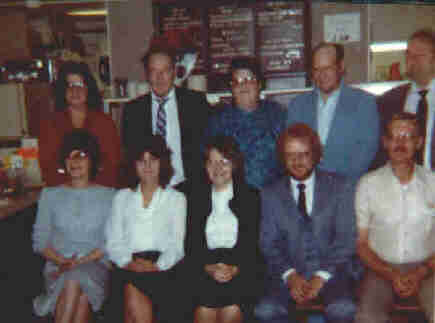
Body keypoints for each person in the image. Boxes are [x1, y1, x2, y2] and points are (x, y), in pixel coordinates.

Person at [255, 123, 357, 323]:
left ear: (317, 155)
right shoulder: (270, 193)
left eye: (304, 153)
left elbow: (346, 240)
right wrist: (290, 276)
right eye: (290, 154)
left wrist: (321, 275)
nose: (297, 161)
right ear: (282, 159)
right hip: (287, 274)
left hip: (331, 273)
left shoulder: (340, 187)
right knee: (266, 310)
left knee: (343, 309)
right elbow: (268, 243)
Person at [355, 112, 435, 323]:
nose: (400, 143)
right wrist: (390, 273)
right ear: (385, 142)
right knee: (367, 317)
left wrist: (421, 272)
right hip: (380, 268)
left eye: (407, 136)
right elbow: (361, 245)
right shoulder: (367, 184)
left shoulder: (433, 183)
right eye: (394, 137)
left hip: (429, 268)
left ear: (419, 143)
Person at [32, 130, 115, 323]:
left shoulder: (109, 196)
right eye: (69, 156)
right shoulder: (49, 195)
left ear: (92, 160)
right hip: (57, 266)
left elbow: (110, 242)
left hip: (95, 265)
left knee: (74, 278)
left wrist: (79, 262)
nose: (74, 161)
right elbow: (40, 241)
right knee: (80, 295)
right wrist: (62, 261)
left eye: (81, 156)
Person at [105, 135, 186, 323]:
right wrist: (127, 262)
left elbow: (177, 244)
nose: (148, 166)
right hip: (127, 265)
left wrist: (157, 266)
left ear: (162, 163)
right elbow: (113, 241)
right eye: (142, 160)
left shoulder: (176, 199)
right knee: (131, 290)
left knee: (132, 298)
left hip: (163, 268)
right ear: (133, 165)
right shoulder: (121, 197)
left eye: (153, 160)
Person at [187, 136, 263, 323]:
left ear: (235, 165)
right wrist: (208, 267)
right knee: (204, 309)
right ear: (205, 167)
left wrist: (235, 268)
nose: (217, 168)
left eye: (224, 162)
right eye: (211, 162)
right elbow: (190, 243)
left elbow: (254, 244)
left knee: (231, 310)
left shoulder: (251, 197)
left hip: (242, 267)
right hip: (204, 266)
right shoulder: (195, 198)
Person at [286, 42, 380, 179]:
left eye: (327, 68)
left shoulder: (364, 103)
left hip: (348, 189)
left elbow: (365, 152)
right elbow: (292, 152)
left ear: (341, 67)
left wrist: (334, 186)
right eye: (316, 69)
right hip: (306, 188)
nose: (321, 75)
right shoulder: (297, 106)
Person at [121, 46, 211, 188]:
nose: (159, 77)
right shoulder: (133, 111)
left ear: (174, 72)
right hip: (149, 190)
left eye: (165, 70)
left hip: (189, 188)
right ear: (147, 75)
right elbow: (129, 159)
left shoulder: (196, 104)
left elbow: (207, 151)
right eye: (154, 71)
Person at [204, 56, 286, 189]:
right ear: (231, 87)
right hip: (231, 198)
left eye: (249, 79)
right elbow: (210, 165)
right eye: (237, 81)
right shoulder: (218, 121)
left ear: (259, 84)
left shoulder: (277, 116)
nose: (243, 85)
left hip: (271, 197)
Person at [38, 60, 121, 187]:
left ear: (88, 88)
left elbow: (112, 166)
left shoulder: (104, 123)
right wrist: (71, 187)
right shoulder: (51, 124)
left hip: (99, 192)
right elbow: (48, 167)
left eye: (79, 85)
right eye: (69, 85)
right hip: (62, 193)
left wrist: (90, 187)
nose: (75, 91)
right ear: (62, 90)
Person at [373, 28, 435, 170]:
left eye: (419, 55)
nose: (411, 60)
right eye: (408, 54)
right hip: (398, 186)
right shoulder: (387, 101)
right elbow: (379, 151)